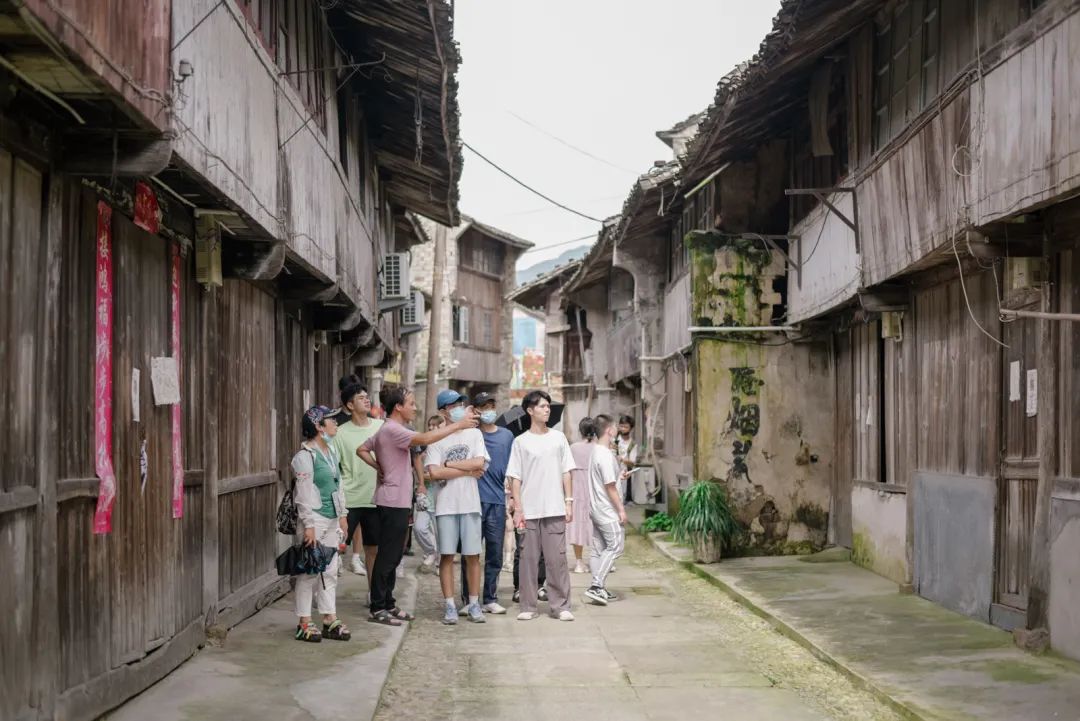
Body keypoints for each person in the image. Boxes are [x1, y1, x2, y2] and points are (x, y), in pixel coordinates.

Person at [358, 386, 477, 626]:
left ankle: (388, 603)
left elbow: (362, 449)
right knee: (388, 557)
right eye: (411, 403)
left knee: (392, 556)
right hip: (392, 501)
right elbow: (423, 439)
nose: (415, 407)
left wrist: (378, 467)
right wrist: (458, 425)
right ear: (398, 407)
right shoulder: (392, 429)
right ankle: (377, 607)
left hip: (397, 500)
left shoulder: (389, 428)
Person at [508, 390, 577, 622]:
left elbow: (567, 471)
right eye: (542, 406)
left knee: (557, 559)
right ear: (530, 410)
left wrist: (568, 502)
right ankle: (528, 606)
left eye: (548, 406)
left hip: (555, 507)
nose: (547, 409)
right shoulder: (520, 442)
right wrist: (518, 508)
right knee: (528, 559)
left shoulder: (559, 439)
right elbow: (514, 477)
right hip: (529, 509)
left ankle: (561, 606)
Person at [425, 390, 490, 624]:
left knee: (473, 556)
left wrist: (450, 463)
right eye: (453, 405)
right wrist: (468, 470)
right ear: (443, 411)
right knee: (447, 556)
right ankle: (450, 605)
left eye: (461, 403)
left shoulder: (474, 434)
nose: (460, 407)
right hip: (445, 505)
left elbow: (479, 463)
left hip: (470, 504)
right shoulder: (436, 437)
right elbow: (434, 472)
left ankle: (474, 603)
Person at [292, 405, 350, 642]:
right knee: (309, 572)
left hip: (332, 517)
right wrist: (308, 525)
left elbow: (339, 485)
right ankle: (304, 621)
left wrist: (343, 515)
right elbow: (303, 493)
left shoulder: (331, 452)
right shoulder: (304, 457)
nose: (336, 423)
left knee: (330, 570)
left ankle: (329, 618)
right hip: (314, 518)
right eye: (331, 420)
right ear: (318, 426)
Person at [458, 392, 513, 614]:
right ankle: (468, 600)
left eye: (491, 405)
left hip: (497, 501)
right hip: (472, 500)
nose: (488, 410)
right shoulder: (469, 434)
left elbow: (512, 468)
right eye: (483, 406)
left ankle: (490, 598)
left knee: (495, 552)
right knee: (470, 552)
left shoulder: (507, 436)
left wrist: (512, 499)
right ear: (476, 410)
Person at [333, 384, 383, 578]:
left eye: (366, 396)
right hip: (350, 500)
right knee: (336, 548)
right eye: (360, 398)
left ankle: (373, 596)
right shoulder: (340, 433)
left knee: (373, 550)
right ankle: (324, 596)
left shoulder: (381, 426)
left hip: (376, 498)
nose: (366, 399)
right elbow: (334, 469)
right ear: (350, 405)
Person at [583, 414, 628, 606]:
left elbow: (609, 481)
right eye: (615, 427)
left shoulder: (596, 451)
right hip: (607, 510)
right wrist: (621, 510)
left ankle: (599, 588)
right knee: (616, 546)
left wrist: (620, 477)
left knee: (598, 550)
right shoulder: (605, 454)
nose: (617, 429)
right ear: (609, 430)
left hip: (596, 507)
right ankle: (596, 586)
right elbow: (610, 487)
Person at [567, 418, 597, 574]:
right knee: (596, 525)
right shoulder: (598, 448)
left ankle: (579, 562)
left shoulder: (573, 448)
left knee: (577, 525)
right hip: (594, 489)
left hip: (576, 489)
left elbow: (567, 471)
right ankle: (597, 560)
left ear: (580, 431)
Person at [615, 415, 639, 504]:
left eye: (626, 427)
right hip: (612, 472)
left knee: (621, 498)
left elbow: (632, 463)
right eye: (621, 426)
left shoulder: (632, 444)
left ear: (631, 428)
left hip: (625, 474)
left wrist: (621, 459)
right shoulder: (614, 440)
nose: (623, 428)